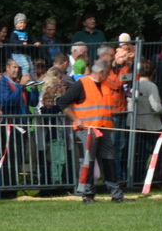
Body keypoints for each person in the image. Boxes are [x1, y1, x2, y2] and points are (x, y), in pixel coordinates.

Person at [43, 53, 129, 201]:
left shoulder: (105, 85)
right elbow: (63, 102)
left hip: (104, 129)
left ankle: (116, 195)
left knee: (109, 160)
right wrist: (76, 120)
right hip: (87, 131)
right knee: (87, 162)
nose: (109, 76)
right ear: (101, 72)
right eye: (107, 73)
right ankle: (88, 195)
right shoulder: (81, 84)